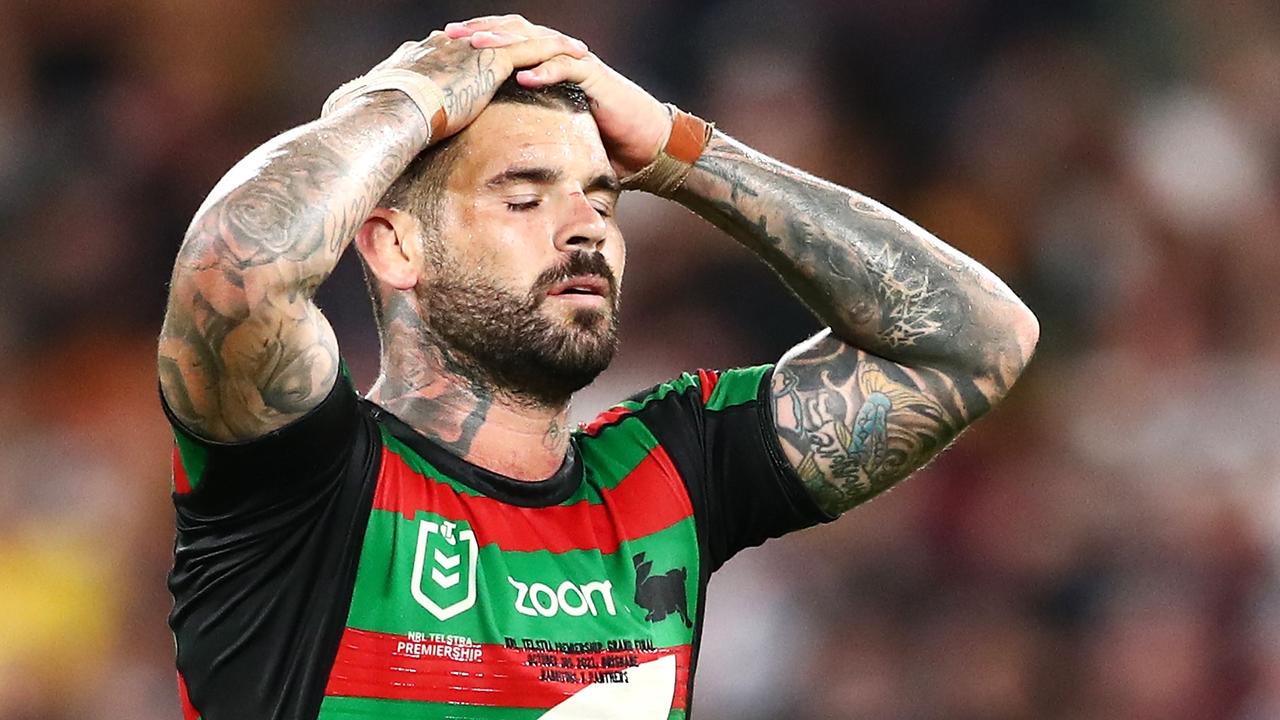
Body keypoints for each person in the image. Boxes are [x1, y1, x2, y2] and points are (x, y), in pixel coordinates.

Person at [157, 15, 1038, 720]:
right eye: (523, 194)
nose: (586, 227)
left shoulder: (668, 473)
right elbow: (238, 276)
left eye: (603, 197)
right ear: (394, 246)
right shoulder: (302, 480)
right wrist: (409, 99)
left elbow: (975, 340)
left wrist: (674, 147)